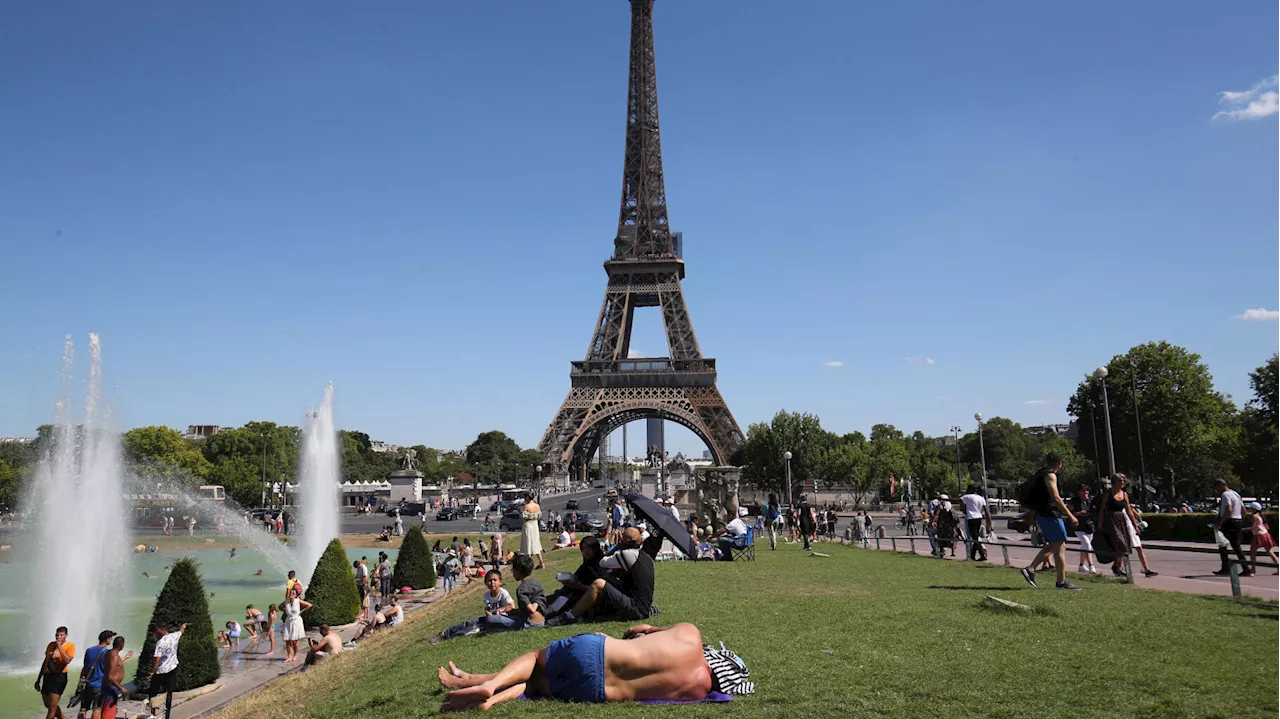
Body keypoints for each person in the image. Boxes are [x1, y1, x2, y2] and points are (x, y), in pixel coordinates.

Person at [435, 623, 752, 711]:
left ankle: (486, 684)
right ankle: (484, 694)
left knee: (534, 659)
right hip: (597, 691)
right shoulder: (697, 692)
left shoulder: (691, 634)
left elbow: (642, 629)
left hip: (597, 649)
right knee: (535, 687)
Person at [548, 528, 654, 625]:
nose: (586, 552)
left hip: (635, 608)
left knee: (598, 584)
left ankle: (569, 617)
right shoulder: (647, 557)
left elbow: (602, 562)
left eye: (589, 548)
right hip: (644, 606)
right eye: (583, 548)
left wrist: (617, 546)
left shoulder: (628, 555)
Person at [1019, 452, 1083, 591]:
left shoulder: (1039, 474)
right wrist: (1071, 516)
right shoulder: (1050, 475)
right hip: (1050, 514)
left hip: (1043, 514)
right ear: (1059, 463)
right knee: (1059, 546)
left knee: (1056, 545)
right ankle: (1057, 580)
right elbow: (1056, 497)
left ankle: (1038, 572)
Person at [431, 569, 521, 643]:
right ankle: (445, 633)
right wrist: (491, 617)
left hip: (503, 619)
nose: (492, 582)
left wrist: (500, 610)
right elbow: (487, 610)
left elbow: (512, 606)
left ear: (500, 582)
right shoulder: (486, 595)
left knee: (470, 629)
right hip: (490, 619)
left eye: (495, 580)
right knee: (470, 622)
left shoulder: (503, 593)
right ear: (486, 583)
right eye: (489, 580)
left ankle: (449, 636)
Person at [77, 630, 125, 719]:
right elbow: (112, 667)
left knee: (83, 708)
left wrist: (80, 682)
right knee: (97, 708)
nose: (111, 640)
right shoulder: (107, 653)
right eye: (110, 638)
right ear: (107, 640)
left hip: (88, 684)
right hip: (99, 684)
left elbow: (85, 667)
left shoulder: (89, 650)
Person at [1213, 478, 1253, 576]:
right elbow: (1243, 510)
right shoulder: (1235, 494)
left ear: (1220, 485)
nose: (1216, 490)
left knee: (1222, 545)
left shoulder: (1225, 495)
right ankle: (1246, 569)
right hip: (1237, 520)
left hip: (1228, 521)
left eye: (1216, 488)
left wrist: (1220, 523)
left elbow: (1229, 509)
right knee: (1236, 547)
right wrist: (1239, 520)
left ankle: (1225, 568)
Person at [146, 622, 186, 719]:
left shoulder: (160, 643)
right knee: (169, 693)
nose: (156, 633)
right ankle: (166, 716)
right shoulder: (175, 636)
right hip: (172, 669)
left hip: (161, 671)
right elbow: (181, 631)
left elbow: (156, 660)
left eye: (156, 631)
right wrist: (183, 626)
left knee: (153, 694)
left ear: (160, 629)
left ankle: (152, 714)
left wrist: (152, 672)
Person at [37, 625, 75, 719]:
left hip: (59, 676)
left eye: (61, 635)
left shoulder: (70, 646)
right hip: (48, 676)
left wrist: (60, 648)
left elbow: (67, 661)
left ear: (66, 635)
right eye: (57, 635)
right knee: (48, 704)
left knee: (52, 708)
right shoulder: (50, 645)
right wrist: (38, 679)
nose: (58, 637)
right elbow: (45, 662)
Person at [1069, 485, 1099, 574]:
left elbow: (1094, 512)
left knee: (1084, 546)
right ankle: (1091, 565)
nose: (1085, 493)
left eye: (1087, 491)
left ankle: (1081, 565)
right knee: (1087, 544)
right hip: (1078, 526)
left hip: (1089, 526)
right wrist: (1078, 513)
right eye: (1083, 491)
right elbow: (1068, 513)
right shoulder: (1074, 501)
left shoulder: (1090, 501)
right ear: (1079, 492)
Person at [1244, 502, 1280, 574]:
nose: (1249, 509)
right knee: (1269, 552)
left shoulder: (1254, 516)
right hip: (1265, 534)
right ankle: (1278, 569)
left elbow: (1253, 527)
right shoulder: (1261, 516)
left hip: (1258, 535)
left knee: (1253, 552)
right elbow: (1267, 527)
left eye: (1250, 508)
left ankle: (1253, 569)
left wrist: (1242, 530)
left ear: (1254, 509)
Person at [98, 636, 128, 719]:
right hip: (111, 688)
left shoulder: (109, 653)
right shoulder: (114, 656)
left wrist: (125, 658)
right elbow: (110, 676)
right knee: (108, 712)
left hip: (109, 687)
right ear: (121, 645)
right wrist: (121, 688)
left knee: (109, 711)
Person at [280, 586, 312, 663]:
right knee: (287, 640)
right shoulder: (286, 602)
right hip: (288, 621)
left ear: (295, 595)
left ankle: (295, 655)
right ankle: (289, 656)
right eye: (290, 593)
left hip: (296, 621)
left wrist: (301, 612)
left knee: (294, 641)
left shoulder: (298, 601)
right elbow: (280, 607)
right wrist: (285, 610)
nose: (291, 594)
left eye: (293, 593)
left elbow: (309, 605)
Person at [960, 485, 991, 562]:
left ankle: (982, 554)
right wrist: (989, 522)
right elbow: (986, 511)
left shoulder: (966, 497)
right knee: (975, 537)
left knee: (974, 537)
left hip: (971, 518)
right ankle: (972, 555)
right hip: (979, 518)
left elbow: (961, 506)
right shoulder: (981, 498)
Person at [521, 493, 546, 569]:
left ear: (528, 497)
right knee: (536, 544)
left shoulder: (526, 506)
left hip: (528, 525)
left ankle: (529, 564)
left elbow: (523, 517)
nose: (524, 498)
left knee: (528, 544)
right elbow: (539, 516)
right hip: (535, 525)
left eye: (525, 497)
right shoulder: (537, 506)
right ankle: (541, 563)